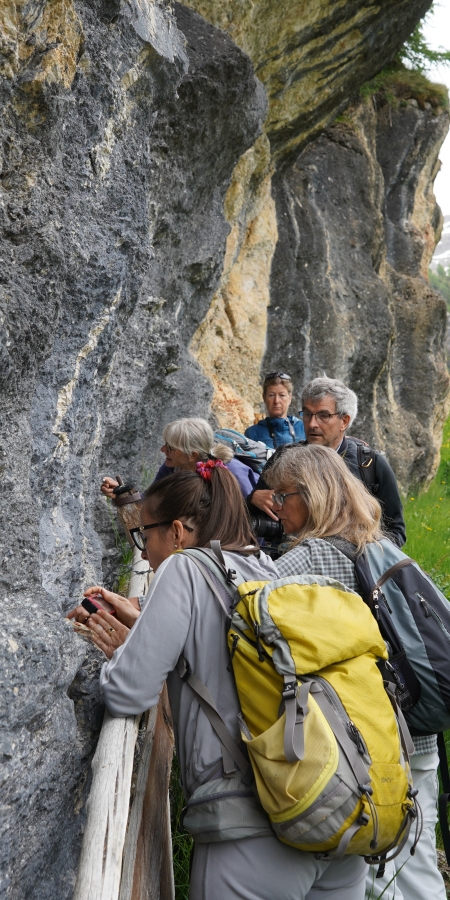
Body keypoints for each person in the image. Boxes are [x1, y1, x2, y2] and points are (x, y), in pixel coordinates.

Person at [84, 462, 368, 899]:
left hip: (252, 829)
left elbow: (127, 690)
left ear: (177, 531)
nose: (142, 552)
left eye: (145, 535)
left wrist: (121, 652)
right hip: (332, 815)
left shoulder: (182, 570)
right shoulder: (264, 567)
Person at [263, 443, 445, 900]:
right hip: (420, 733)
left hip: (374, 746)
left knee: (374, 872)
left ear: (311, 494)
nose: (276, 508)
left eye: (283, 496)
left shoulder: (309, 559)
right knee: (417, 863)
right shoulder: (379, 544)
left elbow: (242, 612)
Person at [250, 376, 406, 544]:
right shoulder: (284, 458)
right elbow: (255, 515)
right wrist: (252, 499)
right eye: (308, 414)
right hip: (288, 562)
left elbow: (395, 532)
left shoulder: (369, 464)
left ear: (344, 421)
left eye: (323, 416)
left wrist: (364, 554)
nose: (312, 424)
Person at [101, 416, 260, 503]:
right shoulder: (172, 467)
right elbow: (150, 500)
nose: (163, 450)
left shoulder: (233, 473)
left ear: (192, 455)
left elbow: (252, 518)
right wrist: (122, 493)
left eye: (170, 448)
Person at [245, 372, 305, 449]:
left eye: (282, 395)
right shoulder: (253, 433)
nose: (276, 401)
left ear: (290, 398)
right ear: (264, 398)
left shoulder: (303, 428)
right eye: (271, 395)